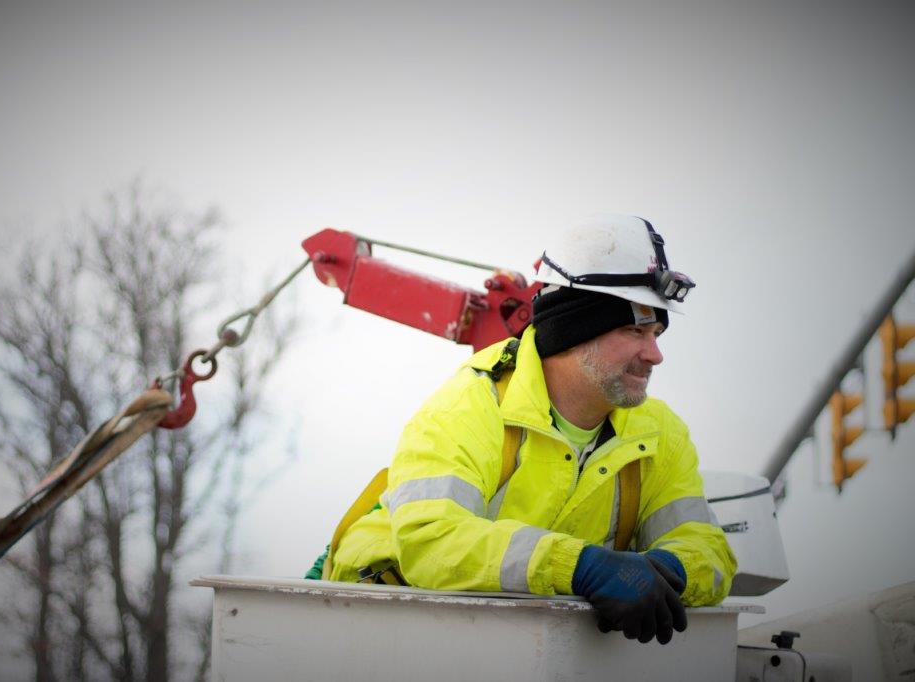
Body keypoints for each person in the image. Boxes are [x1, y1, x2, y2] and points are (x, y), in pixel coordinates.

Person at [314, 214, 736, 645]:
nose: (655, 354)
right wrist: (579, 566)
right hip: (374, 624)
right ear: (575, 331)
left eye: (657, 332)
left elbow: (709, 548)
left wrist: (668, 572)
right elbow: (431, 542)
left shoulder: (660, 432)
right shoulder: (469, 406)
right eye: (634, 331)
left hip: (518, 635)